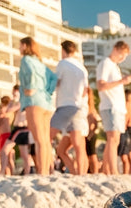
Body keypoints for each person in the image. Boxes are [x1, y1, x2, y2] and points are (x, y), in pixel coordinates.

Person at [18, 36, 56, 175]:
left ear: (25, 46)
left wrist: (31, 87)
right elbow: (54, 78)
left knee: (38, 139)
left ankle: (42, 172)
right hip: (46, 102)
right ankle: (45, 170)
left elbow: (30, 72)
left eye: (20, 45)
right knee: (45, 140)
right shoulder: (41, 63)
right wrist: (48, 91)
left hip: (33, 101)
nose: (19, 48)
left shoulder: (26, 60)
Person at [50, 40, 89, 175]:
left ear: (63, 50)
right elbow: (85, 90)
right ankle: (79, 174)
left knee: (46, 137)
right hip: (78, 106)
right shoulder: (82, 68)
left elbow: (57, 82)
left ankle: (45, 169)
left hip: (65, 105)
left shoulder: (63, 63)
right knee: (78, 145)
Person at [96, 40, 131, 175]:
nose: (122, 58)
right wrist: (122, 81)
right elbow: (101, 85)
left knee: (114, 139)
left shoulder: (114, 66)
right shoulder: (106, 63)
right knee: (113, 139)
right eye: (122, 55)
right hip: (110, 105)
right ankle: (112, 171)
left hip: (117, 107)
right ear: (115, 49)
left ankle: (107, 170)